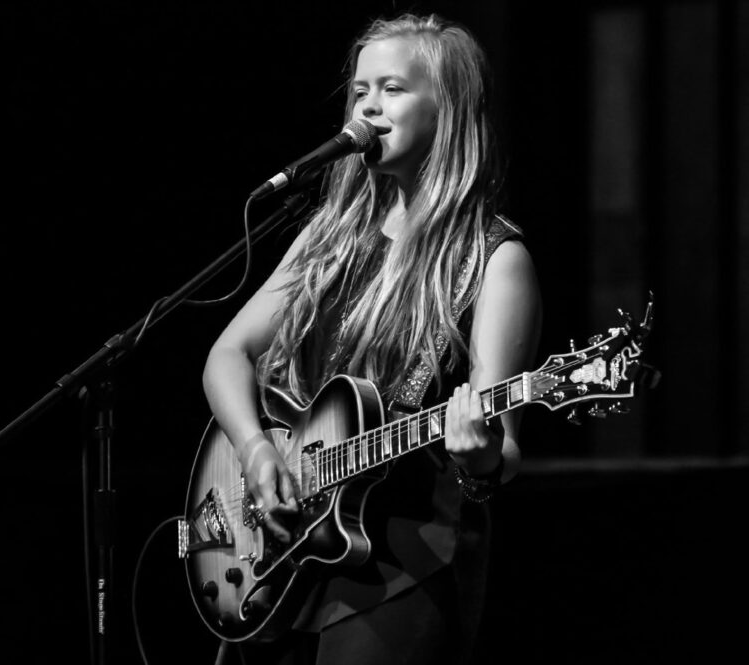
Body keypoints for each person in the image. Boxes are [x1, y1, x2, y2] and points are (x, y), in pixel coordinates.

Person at [202, 12, 541, 665]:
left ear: (448, 110)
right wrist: (255, 450)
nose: (369, 106)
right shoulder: (331, 238)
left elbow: (504, 449)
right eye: (360, 91)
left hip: (406, 562)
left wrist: (480, 457)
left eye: (393, 88)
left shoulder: (493, 259)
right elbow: (226, 354)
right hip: (290, 547)